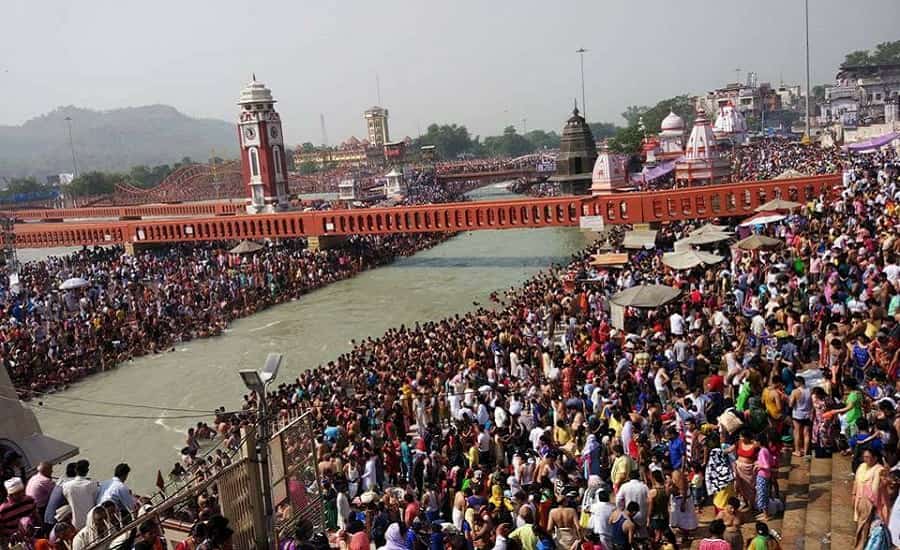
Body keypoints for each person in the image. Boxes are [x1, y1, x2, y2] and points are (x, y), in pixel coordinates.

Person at [852, 448, 890, 550]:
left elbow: (882, 486)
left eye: (868, 457)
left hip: (873, 505)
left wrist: (885, 476)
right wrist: (854, 495)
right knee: (861, 527)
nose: (865, 459)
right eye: (864, 457)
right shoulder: (861, 467)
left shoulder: (879, 470)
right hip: (861, 501)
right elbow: (856, 482)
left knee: (867, 529)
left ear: (875, 458)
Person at [0, 477, 38, 545]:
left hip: (33, 537)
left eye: (21, 492)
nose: (21, 495)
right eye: (17, 493)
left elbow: (36, 516)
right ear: (10, 494)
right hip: (15, 543)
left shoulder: (29, 500)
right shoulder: (3, 510)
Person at [63, 460, 98, 530]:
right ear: (87, 470)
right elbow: (95, 501)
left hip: (76, 523)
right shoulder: (92, 484)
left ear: (75, 470)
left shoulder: (66, 486)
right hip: (90, 521)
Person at [788, 376, 812, 457]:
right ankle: (806, 451)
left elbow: (790, 404)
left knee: (797, 432)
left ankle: (797, 451)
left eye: (795, 382)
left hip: (797, 415)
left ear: (799, 382)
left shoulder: (795, 391)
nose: (794, 384)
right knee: (806, 433)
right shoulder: (810, 390)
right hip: (807, 414)